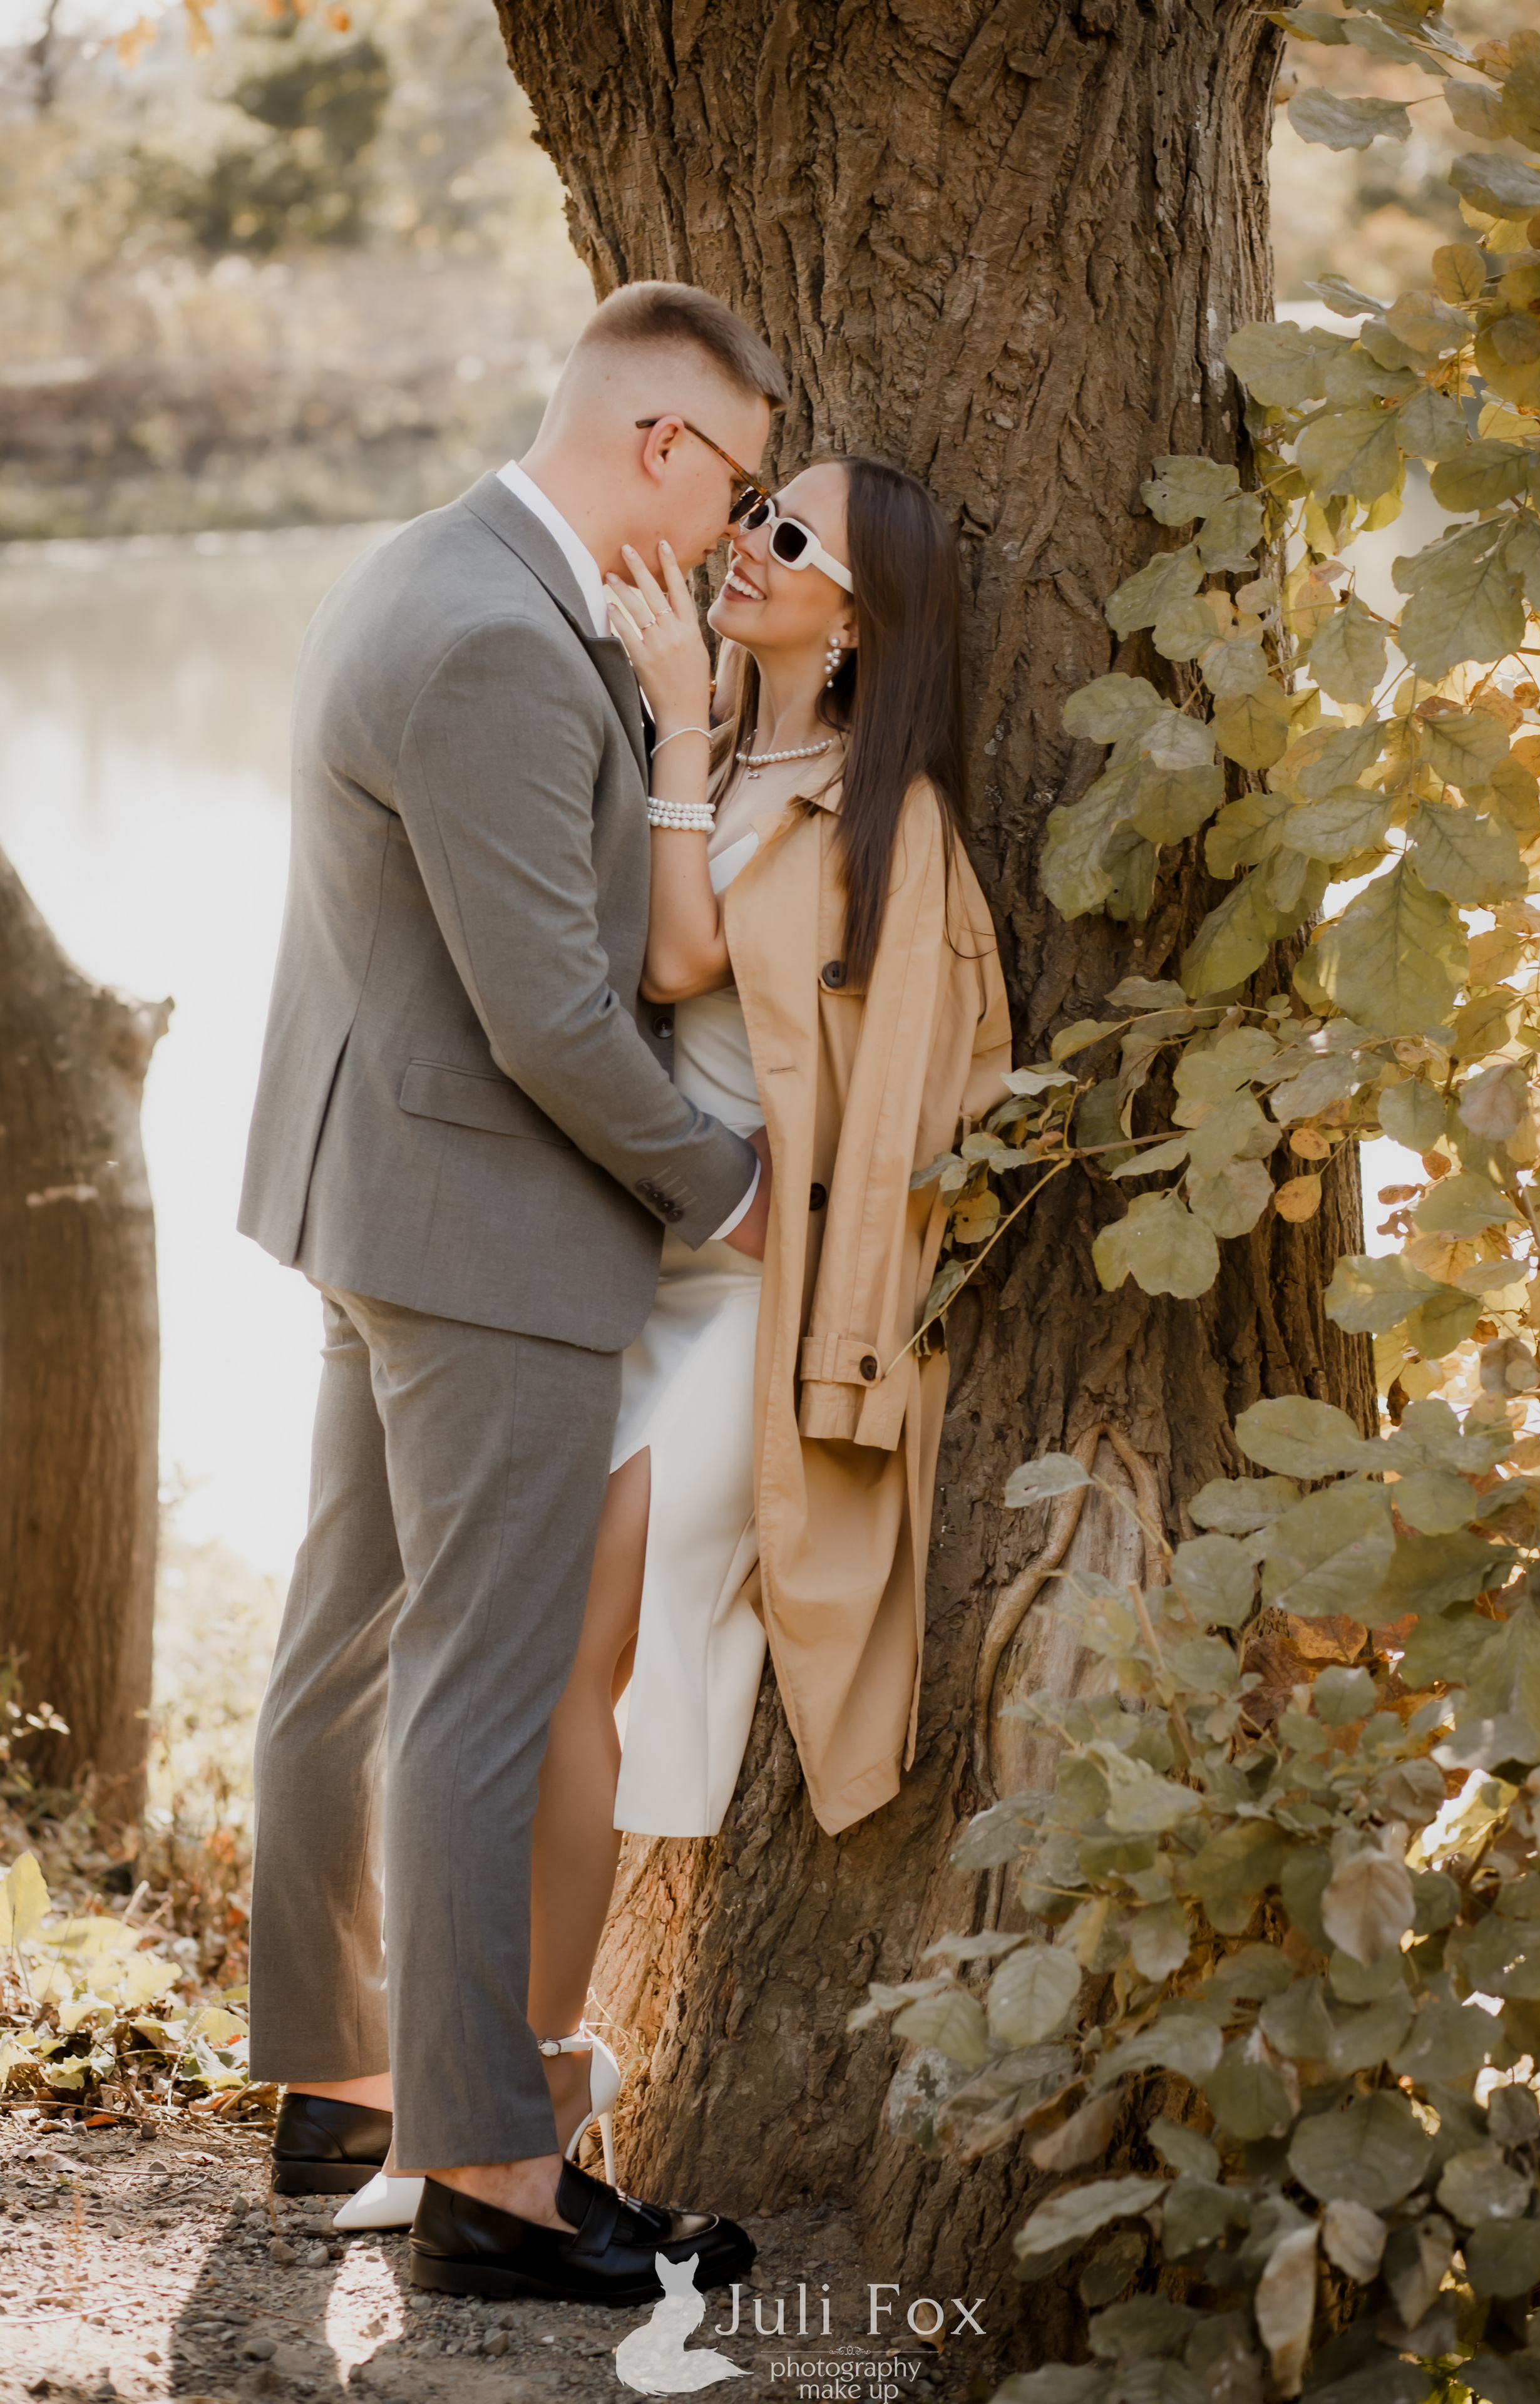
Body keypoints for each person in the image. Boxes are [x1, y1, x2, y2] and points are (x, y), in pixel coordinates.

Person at [333, 448, 1012, 2236]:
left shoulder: (888, 813)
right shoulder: (679, 737)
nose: (749, 545)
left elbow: (685, 961)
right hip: (625, 1266)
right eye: (754, 509)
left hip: (755, 1300)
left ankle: (514, 2102)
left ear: (860, 619)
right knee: (540, 1669)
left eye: (793, 538)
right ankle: (508, 2098)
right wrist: (673, 730)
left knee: (578, 1651)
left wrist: (682, 734)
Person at [239, 282, 792, 2306]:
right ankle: (490, 2172)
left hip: (373, 1188)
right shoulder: (494, 638)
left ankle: (341, 2077)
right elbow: (559, 1016)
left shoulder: (435, 560)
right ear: (663, 446)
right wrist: (723, 1182)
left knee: (352, 1638)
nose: (739, 535)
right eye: (736, 487)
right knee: (482, 1684)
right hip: (481, 1230)